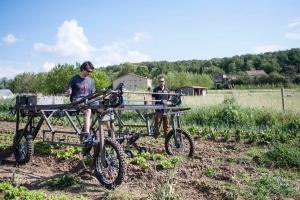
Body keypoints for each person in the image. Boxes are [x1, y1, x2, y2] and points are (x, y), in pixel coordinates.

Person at [65, 61, 111, 137]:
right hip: (78, 100)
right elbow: (67, 94)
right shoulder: (74, 79)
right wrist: (68, 93)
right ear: (83, 69)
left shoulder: (91, 81)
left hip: (90, 100)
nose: (90, 73)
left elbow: (93, 94)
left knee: (105, 109)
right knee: (88, 110)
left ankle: (110, 132)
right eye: (88, 71)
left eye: (91, 71)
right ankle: (86, 134)